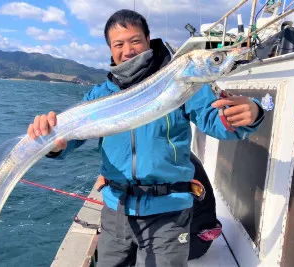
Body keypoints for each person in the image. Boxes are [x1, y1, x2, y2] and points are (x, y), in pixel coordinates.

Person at [27, 9, 264, 267]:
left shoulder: (184, 80)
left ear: (148, 39)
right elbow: (71, 136)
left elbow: (215, 121)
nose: (127, 50)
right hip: (116, 212)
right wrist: (54, 144)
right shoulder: (100, 95)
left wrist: (249, 114)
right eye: (119, 44)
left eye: (135, 40)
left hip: (168, 212)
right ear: (110, 49)